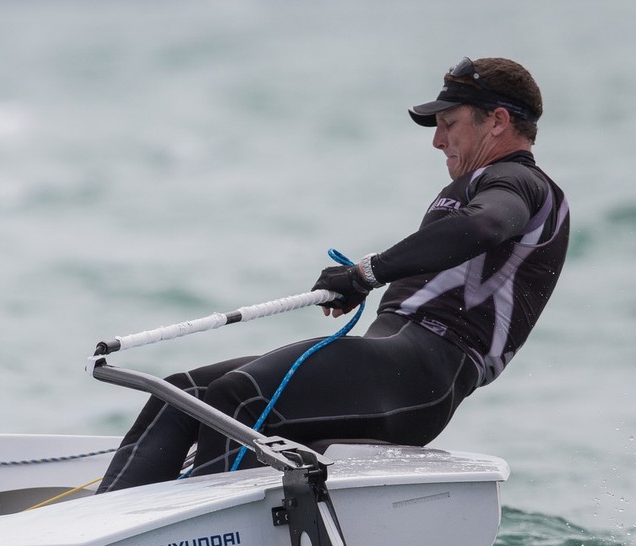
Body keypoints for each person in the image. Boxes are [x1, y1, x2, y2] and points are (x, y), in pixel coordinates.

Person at [97, 57, 570, 493]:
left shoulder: (522, 183)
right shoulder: (482, 182)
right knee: (183, 393)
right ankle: (95, 528)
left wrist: (367, 273)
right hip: (391, 358)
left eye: (449, 124)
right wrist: (361, 281)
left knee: (235, 400)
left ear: (498, 121)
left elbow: (484, 226)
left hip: (424, 374)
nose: (437, 139)